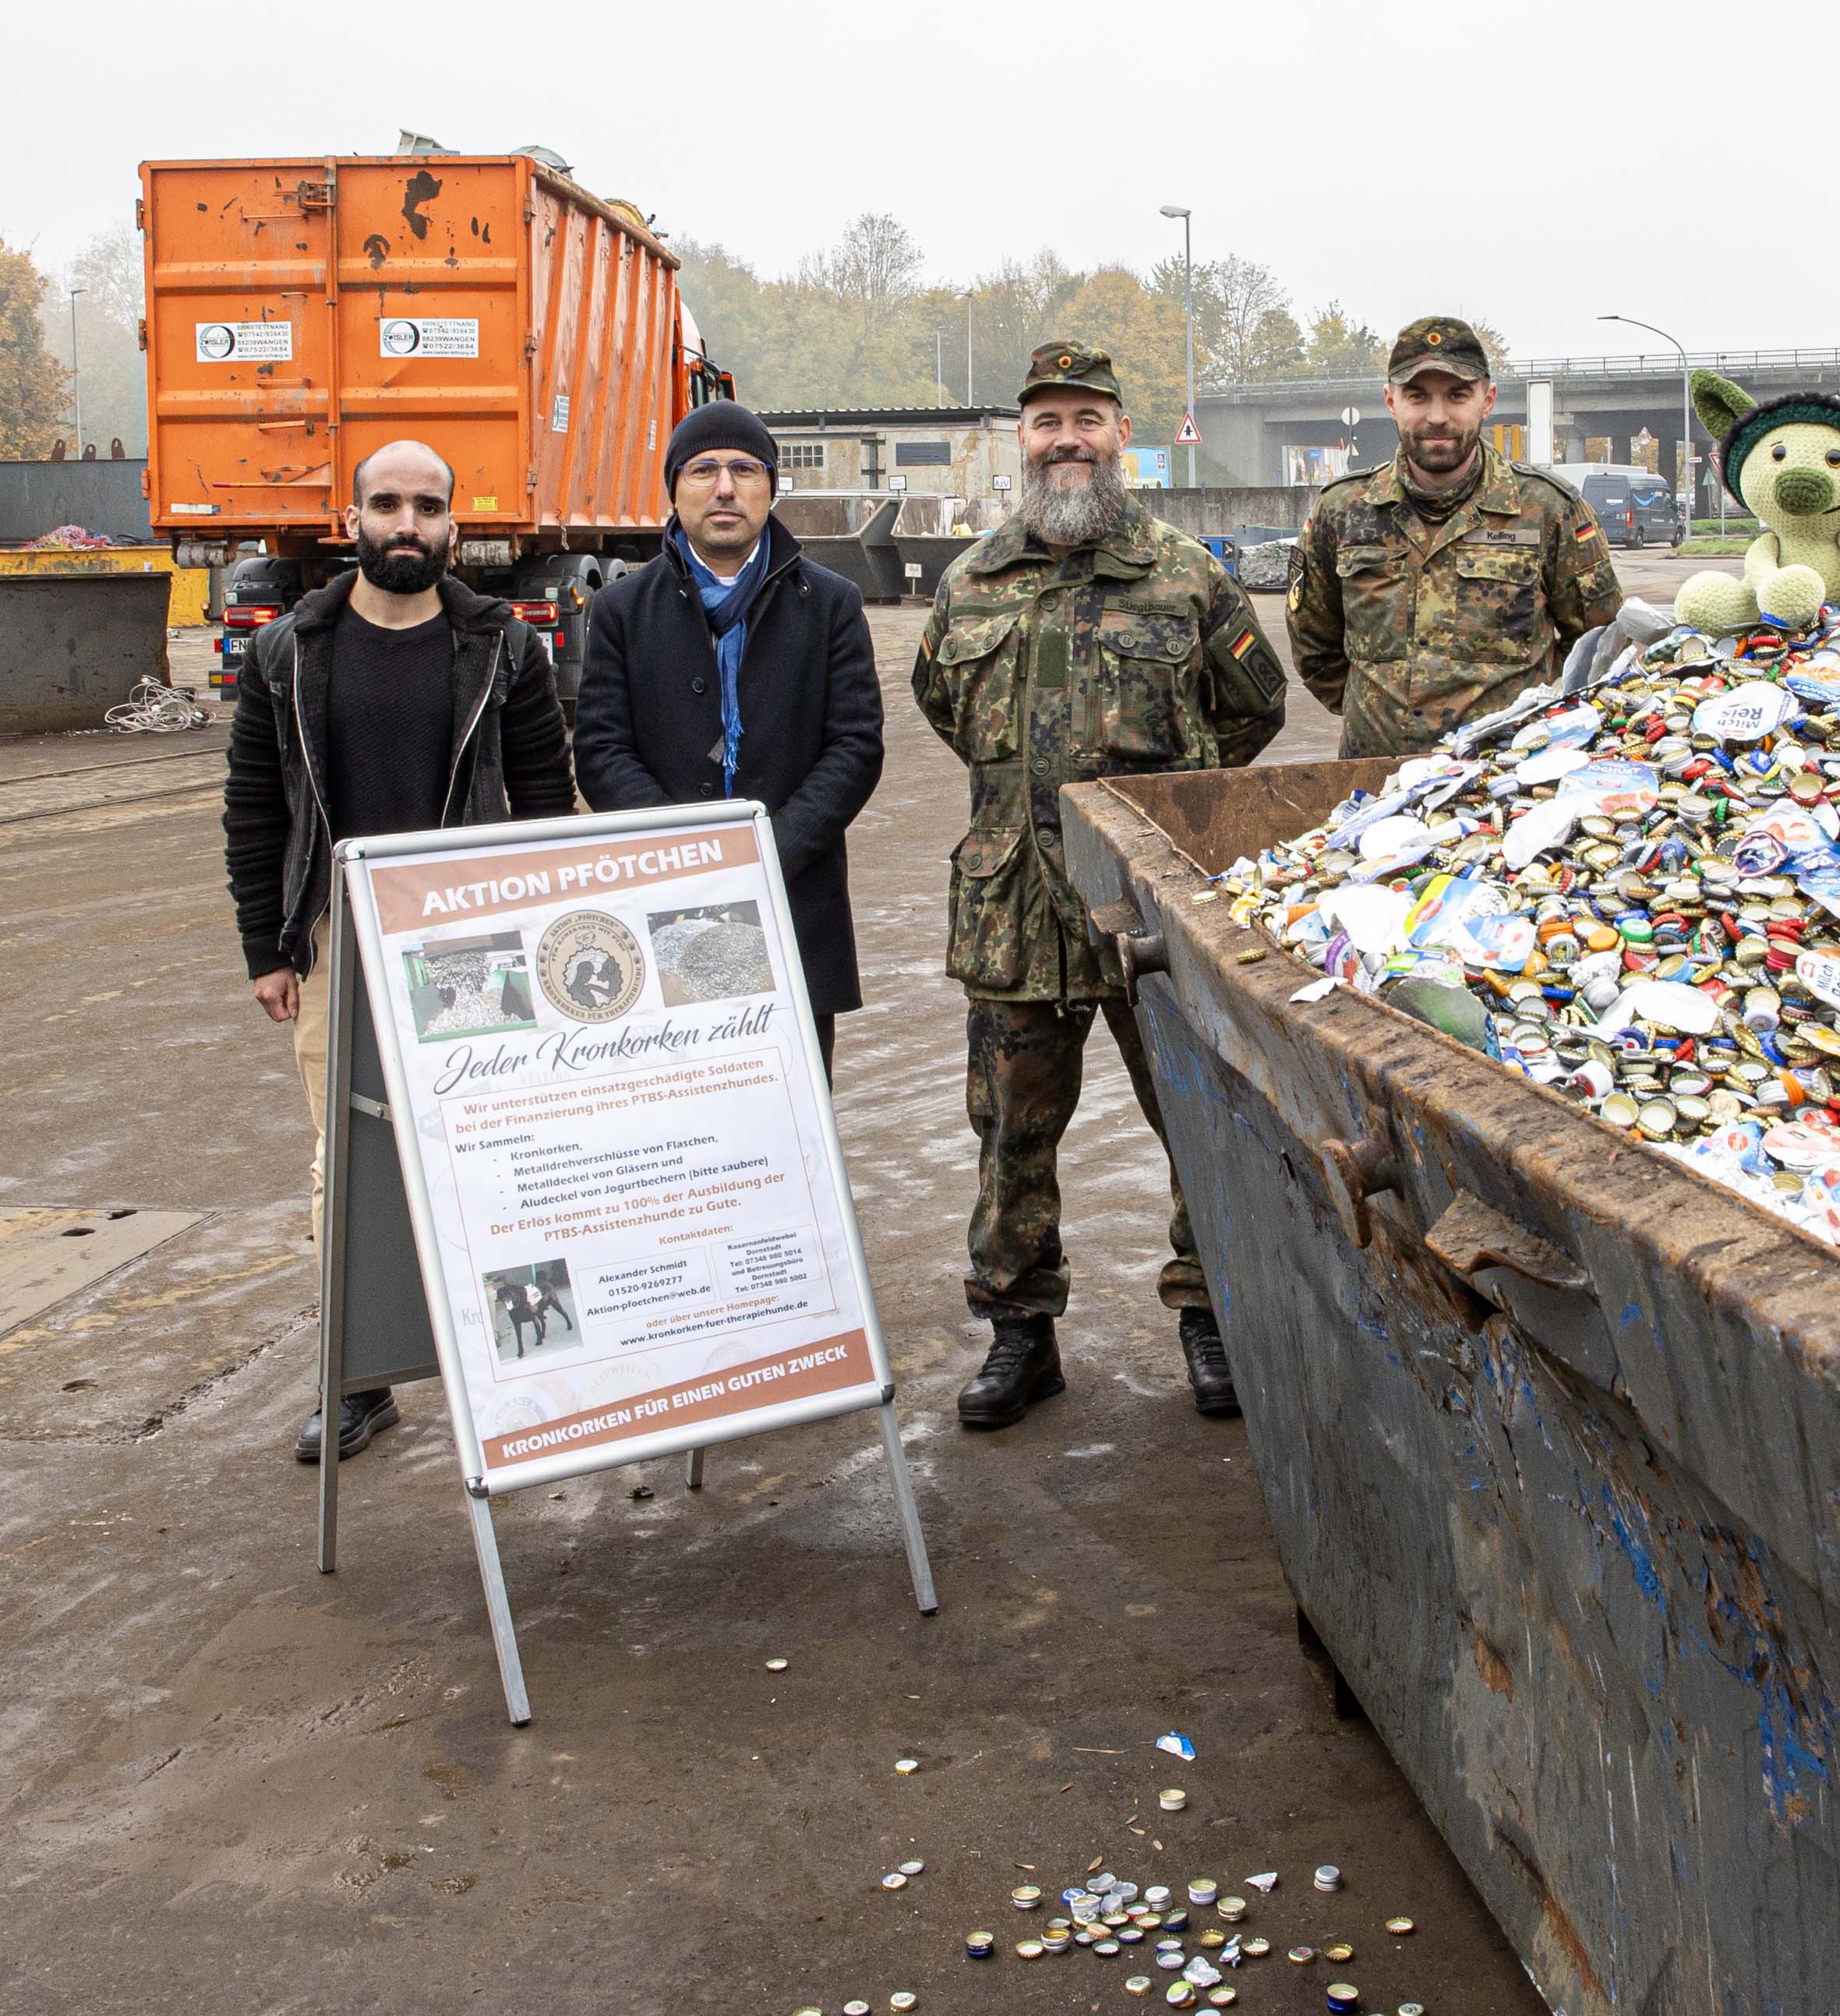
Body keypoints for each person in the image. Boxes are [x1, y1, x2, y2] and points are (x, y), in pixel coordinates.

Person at [913, 341, 1287, 1430]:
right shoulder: (970, 579)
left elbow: (1251, 709)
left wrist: (1164, 810)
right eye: (1046, 422)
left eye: (1086, 418)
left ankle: (1209, 1314)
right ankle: (1019, 1335)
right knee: (1009, 1134)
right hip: (1013, 903)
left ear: (1121, 432)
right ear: (1021, 440)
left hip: (1148, 907)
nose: (1066, 439)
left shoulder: (1184, 575)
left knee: (1195, 1117)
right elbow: (945, 706)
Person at [221, 437, 577, 1463]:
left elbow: (547, 803)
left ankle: (530, 1363)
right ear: (353, 519)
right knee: (350, 1169)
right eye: (387, 504)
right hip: (336, 941)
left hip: (469, 948)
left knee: (494, 1164)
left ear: (454, 525)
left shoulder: (502, 648)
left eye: (427, 505)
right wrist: (268, 947)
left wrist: (545, 947)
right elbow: (254, 808)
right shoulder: (289, 650)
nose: (407, 524)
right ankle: (359, 1381)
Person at [570, 398, 884, 1077]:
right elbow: (599, 751)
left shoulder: (831, 602)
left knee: (794, 1121)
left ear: (770, 487)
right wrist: (686, 852)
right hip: (663, 904)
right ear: (674, 488)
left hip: (793, 897)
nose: (724, 487)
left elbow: (855, 747)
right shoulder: (621, 610)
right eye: (702, 469)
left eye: (745, 469)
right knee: (680, 1124)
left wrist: (767, 851)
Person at [1285, 315, 1623, 758]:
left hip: (1504, 784)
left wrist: (1532, 714)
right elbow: (1315, 647)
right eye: (1417, 396)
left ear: (1488, 400)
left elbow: (1602, 648)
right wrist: (1374, 710)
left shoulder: (1548, 510)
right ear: (1390, 401)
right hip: (1373, 783)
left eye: (1458, 395)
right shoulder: (1342, 510)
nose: (1437, 417)